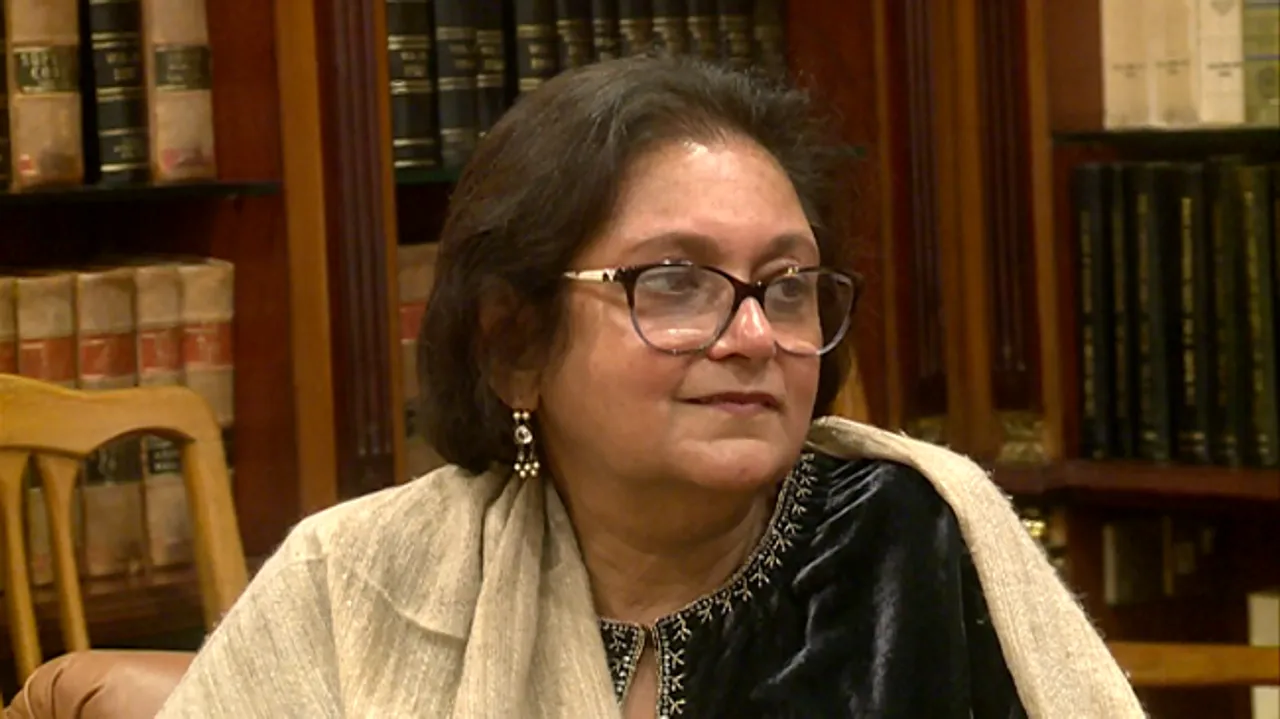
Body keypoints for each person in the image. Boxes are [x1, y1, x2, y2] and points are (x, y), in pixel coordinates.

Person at [156, 54, 1144, 718]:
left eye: (786, 286)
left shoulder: (919, 542)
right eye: (674, 283)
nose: (752, 335)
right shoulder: (353, 580)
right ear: (513, 342)